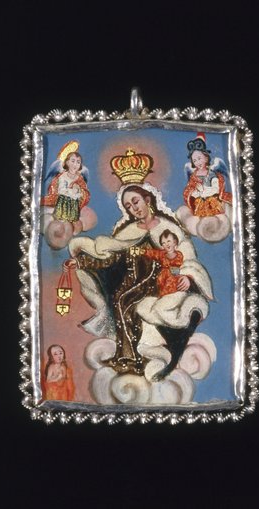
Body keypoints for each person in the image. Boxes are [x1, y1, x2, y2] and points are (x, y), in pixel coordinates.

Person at [66, 183, 213, 381]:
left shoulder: (168, 228)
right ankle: (127, 357)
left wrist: (188, 277)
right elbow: (110, 258)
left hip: (162, 285)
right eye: (128, 206)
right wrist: (80, 262)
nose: (134, 208)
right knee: (120, 300)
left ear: (147, 200)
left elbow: (187, 257)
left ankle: (142, 356)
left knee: (131, 303)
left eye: (135, 202)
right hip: (135, 283)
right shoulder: (128, 232)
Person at [183, 133, 232, 217]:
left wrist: (203, 191)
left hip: (212, 202)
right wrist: (196, 192)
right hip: (199, 204)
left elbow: (216, 189)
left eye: (199, 158)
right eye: (194, 160)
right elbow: (189, 190)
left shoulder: (211, 174)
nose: (197, 162)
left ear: (206, 158)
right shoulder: (194, 176)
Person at [41, 151, 90, 223]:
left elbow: (83, 192)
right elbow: (61, 190)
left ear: (80, 165)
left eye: (78, 162)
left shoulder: (80, 179)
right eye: (73, 161)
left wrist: (79, 191)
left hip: (73, 206)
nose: (75, 164)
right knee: (61, 221)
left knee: (72, 222)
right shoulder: (63, 176)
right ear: (67, 162)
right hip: (63, 204)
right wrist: (72, 191)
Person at [137, 229, 184, 297]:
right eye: (163, 243)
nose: (166, 244)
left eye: (168, 241)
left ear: (174, 242)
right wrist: (138, 251)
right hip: (162, 282)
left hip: (173, 283)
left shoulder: (179, 256)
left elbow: (180, 270)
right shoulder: (162, 254)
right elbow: (152, 253)